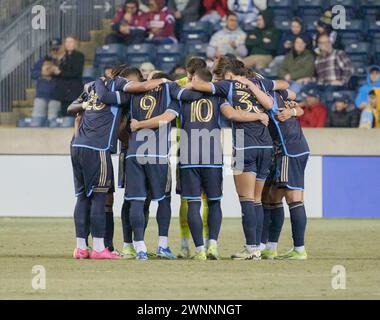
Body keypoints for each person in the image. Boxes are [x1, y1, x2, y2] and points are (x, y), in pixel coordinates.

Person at [186, 61, 289, 260]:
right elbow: (284, 84)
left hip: (244, 144)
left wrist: (192, 82)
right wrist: (253, 86)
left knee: (247, 200)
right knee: (258, 199)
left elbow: (198, 86)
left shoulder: (228, 85)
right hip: (266, 144)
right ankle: (257, 247)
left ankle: (251, 248)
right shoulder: (259, 84)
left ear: (230, 74)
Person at [69, 69, 168, 260]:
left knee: (82, 198)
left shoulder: (93, 90)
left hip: (77, 145)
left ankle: (81, 248)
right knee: (100, 197)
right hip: (97, 148)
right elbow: (144, 86)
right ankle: (99, 248)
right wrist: (163, 79)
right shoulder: (120, 91)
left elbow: (75, 111)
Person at [260, 90, 310, 260]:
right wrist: (294, 110)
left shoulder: (267, 96)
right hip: (284, 150)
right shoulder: (278, 94)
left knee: (293, 197)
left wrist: (292, 111)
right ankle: (271, 247)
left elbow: (296, 104)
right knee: (271, 197)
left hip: (289, 150)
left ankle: (299, 248)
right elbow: (298, 105)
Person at [31, 38, 63, 122]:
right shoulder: (43, 60)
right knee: (37, 120)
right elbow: (33, 74)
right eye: (53, 48)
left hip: (56, 95)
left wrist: (57, 71)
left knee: (53, 121)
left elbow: (68, 75)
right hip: (41, 94)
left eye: (57, 48)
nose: (55, 50)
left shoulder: (64, 61)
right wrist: (43, 73)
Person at [56, 35, 85, 116]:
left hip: (74, 90)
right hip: (63, 90)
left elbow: (76, 72)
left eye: (71, 42)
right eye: (67, 42)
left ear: (75, 44)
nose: (68, 44)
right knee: (64, 112)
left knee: (73, 113)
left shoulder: (79, 56)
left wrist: (60, 73)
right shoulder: (61, 56)